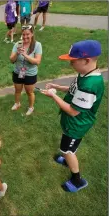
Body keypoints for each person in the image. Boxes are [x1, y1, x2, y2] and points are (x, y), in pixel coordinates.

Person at [41, 40, 104, 192]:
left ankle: (77, 180)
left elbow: (73, 111)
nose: (70, 65)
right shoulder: (85, 74)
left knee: (67, 150)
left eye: (73, 61)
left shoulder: (90, 84)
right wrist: (57, 87)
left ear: (86, 60)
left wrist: (53, 96)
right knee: (69, 147)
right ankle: (68, 159)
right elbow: (73, 89)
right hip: (73, 123)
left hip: (77, 125)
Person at [9, 24, 42, 115]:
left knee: (29, 92)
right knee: (17, 90)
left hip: (30, 73)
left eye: (27, 34)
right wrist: (17, 53)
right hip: (18, 71)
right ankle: (17, 103)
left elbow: (37, 61)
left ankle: (31, 107)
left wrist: (25, 55)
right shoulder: (17, 44)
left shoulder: (37, 45)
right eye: (23, 34)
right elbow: (11, 59)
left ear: (32, 34)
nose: (25, 36)